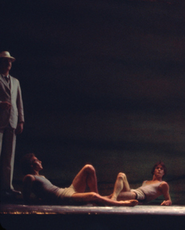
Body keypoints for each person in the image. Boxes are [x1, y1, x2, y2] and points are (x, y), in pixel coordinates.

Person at [20, 153, 138, 206]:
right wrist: (30, 201)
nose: (40, 161)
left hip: (66, 190)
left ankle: (97, 201)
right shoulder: (30, 177)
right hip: (63, 197)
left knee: (88, 168)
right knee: (92, 195)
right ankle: (120, 203)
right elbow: (27, 180)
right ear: (31, 165)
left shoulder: (40, 176)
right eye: (36, 160)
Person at [0, 51, 24, 199]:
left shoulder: (15, 82)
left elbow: (19, 102)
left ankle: (7, 187)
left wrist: (21, 120)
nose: (8, 63)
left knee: (9, 157)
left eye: (10, 61)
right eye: (5, 61)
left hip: (12, 121)